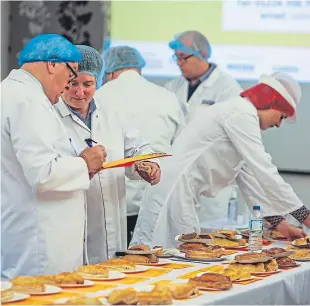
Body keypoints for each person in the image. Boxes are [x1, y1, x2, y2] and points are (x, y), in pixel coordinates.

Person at [131, 72, 310, 248]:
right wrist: (304, 216)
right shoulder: (241, 113)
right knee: (166, 261)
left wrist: (281, 224)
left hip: (179, 192)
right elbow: (265, 171)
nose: (279, 124)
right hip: (172, 193)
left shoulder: (241, 116)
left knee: (170, 258)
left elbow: (250, 180)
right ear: (272, 103)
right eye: (282, 117)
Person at [1, 34, 107, 279]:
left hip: (23, 227)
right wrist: (85, 163)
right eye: (70, 79)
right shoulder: (28, 101)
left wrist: (78, 163)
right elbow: (43, 173)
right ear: (52, 65)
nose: (66, 89)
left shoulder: (10, 92)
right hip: (40, 239)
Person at [55, 45, 161, 263]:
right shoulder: (50, 116)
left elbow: (137, 147)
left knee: (111, 280)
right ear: (62, 81)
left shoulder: (112, 112)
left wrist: (147, 164)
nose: (80, 91)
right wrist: (82, 164)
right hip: (71, 218)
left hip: (112, 216)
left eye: (88, 84)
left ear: (99, 82)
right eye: (73, 83)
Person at [96, 45, 185, 245]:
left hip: (114, 202)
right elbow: (180, 146)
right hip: (156, 196)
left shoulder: (100, 97)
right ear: (139, 69)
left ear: (108, 72)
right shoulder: (168, 98)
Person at [165, 30, 244, 225]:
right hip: (177, 177)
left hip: (212, 183)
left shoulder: (228, 89)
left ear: (202, 54)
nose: (179, 62)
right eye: (176, 57)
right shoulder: (171, 87)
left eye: (183, 57)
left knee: (213, 242)